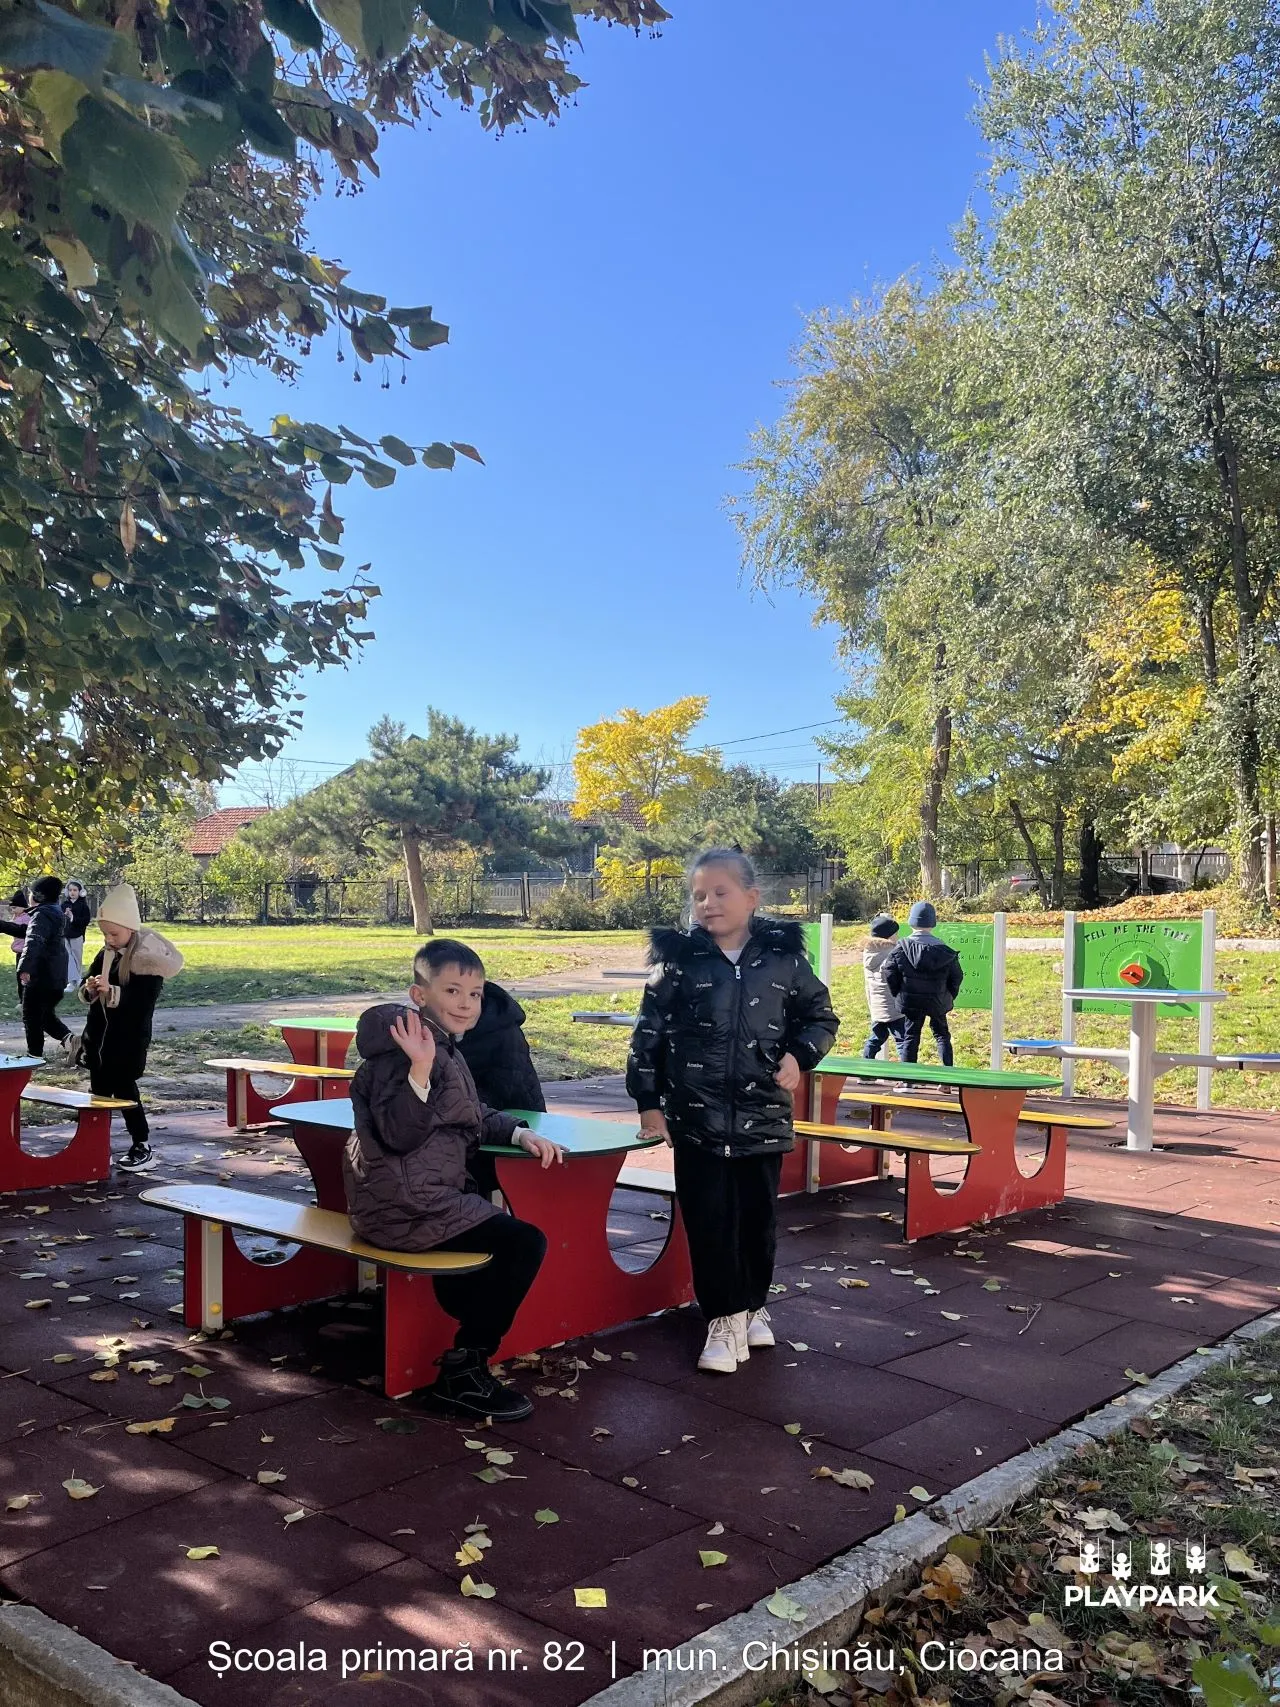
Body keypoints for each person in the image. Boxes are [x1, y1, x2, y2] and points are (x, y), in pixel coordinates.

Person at [626, 848, 839, 1376]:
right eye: (699, 895)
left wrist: (799, 1057)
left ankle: (752, 1305)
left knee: (757, 1221)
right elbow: (647, 1036)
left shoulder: (785, 961)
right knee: (709, 1221)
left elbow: (820, 1017)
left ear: (752, 898)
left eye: (720, 892)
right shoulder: (678, 963)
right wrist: (649, 1104)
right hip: (696, 1120)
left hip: (761, 1118)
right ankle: (723, 1319)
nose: (708, 903)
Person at [343, 938, 565, 1422]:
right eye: (452, 991)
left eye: (475, 994)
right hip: (405, 1208)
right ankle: (464, 1370)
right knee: (523, 1243)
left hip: (410, 1199)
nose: (466, 1004)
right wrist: (419, 1068)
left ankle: (465, 1326)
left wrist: (519, 1132)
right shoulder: (405, 1053)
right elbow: (400, 1133)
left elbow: (468, 1110)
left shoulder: (441, 1046)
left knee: (498, 1236)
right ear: (419, 995)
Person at [79, 883, 184, 1173]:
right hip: (99, 1037)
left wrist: (113, 992)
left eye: (114, 934)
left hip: (127, 1039)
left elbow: (142, 1001)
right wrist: (90, 988)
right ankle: (94, 1144)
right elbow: (89, 981)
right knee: (98, 1092)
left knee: (125, 1092)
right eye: (104, 934)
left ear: (130, 928)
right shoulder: (106, 954)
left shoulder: (146, 960)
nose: (109, 939)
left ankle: (142, 1144)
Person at [883, 901, 963, 1067]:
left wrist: (899, 993)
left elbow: (890, 972)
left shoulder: (900, 949)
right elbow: (956, 977)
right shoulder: (945, 951)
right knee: (942, 1036)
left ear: (911, 922)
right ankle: (947, 1076)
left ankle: (908, 1078)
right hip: (938, 1000)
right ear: (932, 924)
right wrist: (948, 995)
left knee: (910, 1037)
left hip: (911, 1001)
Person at [456, 980, 546, 1115]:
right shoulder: (440, 1025)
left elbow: (504, 1090)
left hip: (517, 1115)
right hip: (471, 1112)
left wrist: (455, 1103)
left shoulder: (505, 1033)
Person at [13, 876, 73, 1060]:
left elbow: (34, 940)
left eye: (32, 893)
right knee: (44, 1015)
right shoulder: (55, 912)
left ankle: (34, 1054)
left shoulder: (42, 915)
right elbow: (27, 931)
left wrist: (25, 968)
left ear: (38, 896)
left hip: (42, 974)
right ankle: (71, 1041)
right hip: (56, 975)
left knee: (31, 1014)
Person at [862, 913, 906, 1060]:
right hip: (894, 1007)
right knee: (903, 1041)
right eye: (896, 934)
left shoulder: (869, 952)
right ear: (889, 936)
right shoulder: (893, 953)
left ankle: (865, 1067)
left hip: (876, 1006)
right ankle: (907, 1072)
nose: (898, 936)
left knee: (876, 1038)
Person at [62, 880, 91, 991]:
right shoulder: (64, 905)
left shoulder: (83, 906)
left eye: (75, 890)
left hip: (77, 935)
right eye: (70, 890)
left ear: (80, 892)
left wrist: (72, 917)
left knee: (76, 957)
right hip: (65, 935)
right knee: (67, 957)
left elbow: (85, 921)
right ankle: (72, 981)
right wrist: (65, 916)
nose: (72, 892)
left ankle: (78, 979)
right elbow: (59, 919)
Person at [1, 889, 30, 991]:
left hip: (26, 951)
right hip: (19, 951)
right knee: (19, 973)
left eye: (14, 908)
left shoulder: (27, 918)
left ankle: (25, 993)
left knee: (24, 974)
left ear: (23, 907)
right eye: (11, 908)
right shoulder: (16, 917)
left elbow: (18, 928)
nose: (12, 910)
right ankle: (22, 993)